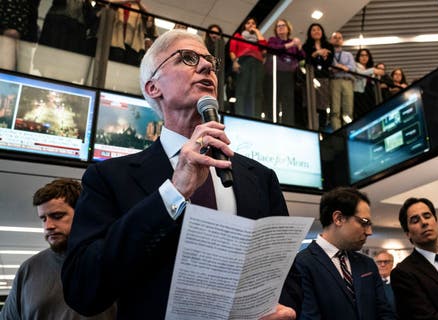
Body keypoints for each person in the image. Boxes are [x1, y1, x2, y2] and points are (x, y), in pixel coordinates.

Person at [61, 29, 296, 319]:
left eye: (210, 61)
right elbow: (83, 289)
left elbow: (283, 273)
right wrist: (172, 194)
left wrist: (278, 308)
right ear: (152, 88)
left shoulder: (259, 178)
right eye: (188, 58)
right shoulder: (108, 178)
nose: (208, 66)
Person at [0, 178, 116, 320]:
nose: (48, 225)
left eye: (57, 216)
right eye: (43, 219)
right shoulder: (29, 269)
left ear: (82, 214)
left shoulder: (111, 261)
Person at [293, 187, 394, 319]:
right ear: (339, 218)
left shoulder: (367, 264)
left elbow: (385, 312)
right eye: (364, 223)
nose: (369, 231)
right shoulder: (301, 264)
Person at [265, 19, 304, 126]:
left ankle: (288, 125)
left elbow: (302, 57)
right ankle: (273, 124)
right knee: (274, 101)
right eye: (278, 26)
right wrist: (291, 44)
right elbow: (273, 49)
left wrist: (299, 46)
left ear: (288, 28)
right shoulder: (273, 40)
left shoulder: (294, 42)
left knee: (288, 102)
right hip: (275, 74)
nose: (281, 27)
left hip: (289, 75)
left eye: (283, 25)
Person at [229, 17, 266, 118]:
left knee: (256, 90)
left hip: (257, 64)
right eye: (248, 23)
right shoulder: (238, 36)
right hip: (243, 62)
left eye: (253, 23)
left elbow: (264, 48)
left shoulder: (258, 39)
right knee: (242, 89)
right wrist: (235, 62)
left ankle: (256, 116)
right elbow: (232, 51)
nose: (250, 25)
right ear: (244, 25)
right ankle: (240, 114)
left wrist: (257, 32)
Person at [302, 23, 334, 130]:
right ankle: (309, 127)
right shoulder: (306, 47)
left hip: (323, 78)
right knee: (310, 103)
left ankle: (322, 129)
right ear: (310, 33)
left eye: (318, 29)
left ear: (322, 32)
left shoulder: (329, 46)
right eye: (313, 30)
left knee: (323, 105)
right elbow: (306, 61)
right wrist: (317, 53)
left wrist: (324, 57)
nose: (316, 31)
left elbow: (328, 63)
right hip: (310, 78)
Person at [328, 31, 355, 131]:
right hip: (334, 81)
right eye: (335, 37)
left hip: (347, 81)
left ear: (342, 41)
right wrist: (343, 67)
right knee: (335, 109)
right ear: (331, 40)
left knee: (348, 109)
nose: (338, 39)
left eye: (340, 38)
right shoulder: (329, 54)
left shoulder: (348, 54)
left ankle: (348, 131)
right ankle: (337, 131)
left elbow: (352, 68)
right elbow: (330, 67)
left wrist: (338, 67)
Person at [353, 48, 384, 119]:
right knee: (361, 113)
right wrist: (374, 70)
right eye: (362, 55)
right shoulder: (355, 65)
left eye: (366, 55)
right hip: (360, 93)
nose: (364, 57)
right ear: (358, 57)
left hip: (370, 92)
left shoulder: (370, 68)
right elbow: (360, 74)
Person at [204, 24, 225, 105]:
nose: (214, 35)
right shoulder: (204, 46)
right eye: (212, 33)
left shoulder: (222, 49)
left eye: (216, 33)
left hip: (218, 77)